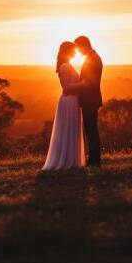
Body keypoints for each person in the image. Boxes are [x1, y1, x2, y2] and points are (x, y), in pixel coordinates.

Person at [41, 41, 86, 170]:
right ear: (68, 51)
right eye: (73, 50)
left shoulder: (67, 65)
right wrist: (83, 84)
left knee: (71, 129)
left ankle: (71, 159)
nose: (76, 52)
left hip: (73, 101)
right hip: (68, 101)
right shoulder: (64, 66)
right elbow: (66, 88)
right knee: (68, 129)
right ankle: (66, 160)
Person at [67, 35, 103, 166]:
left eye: (78, 48)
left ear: (83, 45)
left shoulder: (93, 59)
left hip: (90, 99)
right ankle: (93, 158)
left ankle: (94, 160)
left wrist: (71, 87)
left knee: (91, 129)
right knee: (90, 129)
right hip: (90, 99)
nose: (77, 51)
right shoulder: (92, 57)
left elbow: (88, 82)